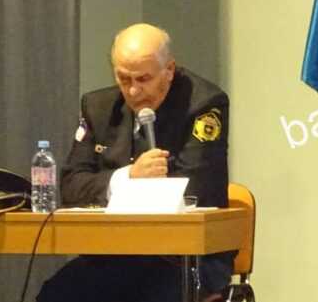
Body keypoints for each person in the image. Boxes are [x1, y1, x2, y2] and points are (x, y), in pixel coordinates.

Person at [38, 23, 233, 302]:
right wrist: (128, 177)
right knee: (56, 294)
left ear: (169, 70)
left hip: (184, 257)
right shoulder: (98, 106)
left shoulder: (203, 104)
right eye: (123, 78)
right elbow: (71, 186)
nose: (132, 91)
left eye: (143, 79)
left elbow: (197, 189)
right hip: (117, 252)